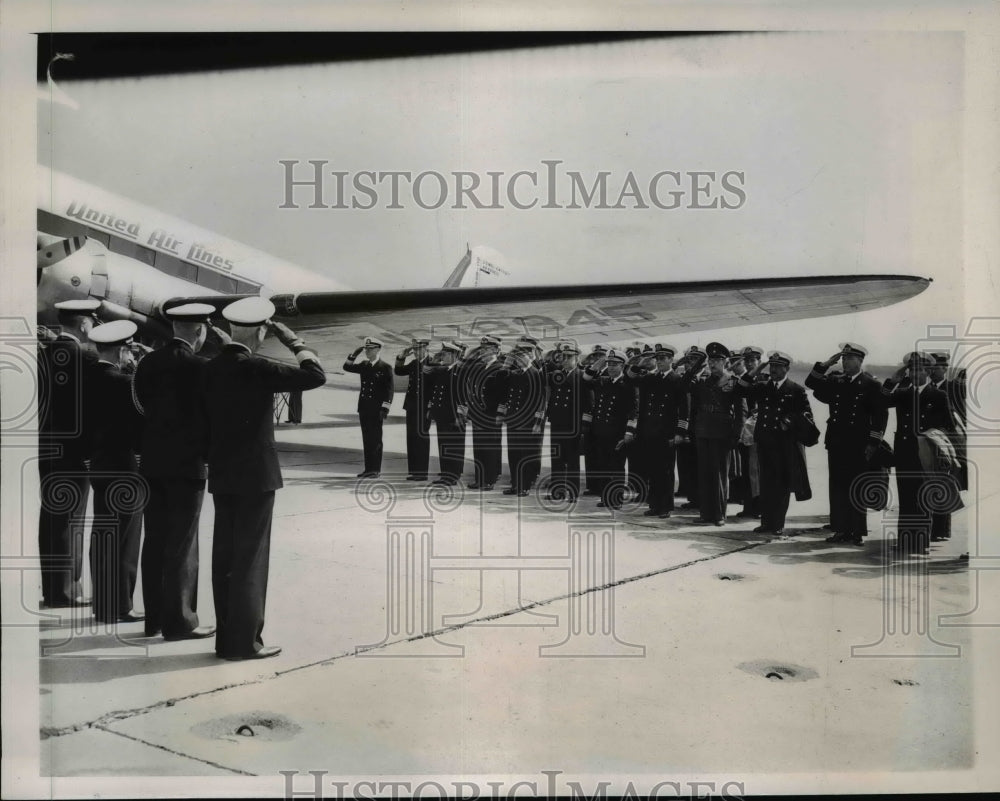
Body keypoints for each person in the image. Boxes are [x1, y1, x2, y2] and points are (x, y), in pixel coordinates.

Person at [202, 297, 326, 660]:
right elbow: (315, 376)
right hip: (256, 476)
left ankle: (225, 641)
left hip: (222, 472)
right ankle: (244, 643)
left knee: (224, 557)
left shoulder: (209, 369)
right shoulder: (258, 367)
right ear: (260, 331)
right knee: (251, 561)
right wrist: (295, 342)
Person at [132, 303, 217, 640]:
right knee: (182, 546)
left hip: (152, 463)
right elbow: (212, 415)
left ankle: (153, 619)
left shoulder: (146, 363)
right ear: (199, 331)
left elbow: (138, 407)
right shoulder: (203, 367)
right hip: (188, 465)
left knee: (153, 541)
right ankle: (180, 622)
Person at [37, 299, 100, 609]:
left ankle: (52, 590)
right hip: (74, 453)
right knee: (70, 520)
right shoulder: (85, 358)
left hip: (45, 448)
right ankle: (65, 592)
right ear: (85, 324)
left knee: (50, 518)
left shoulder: (43, 355)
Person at [86, 320, 146, 624]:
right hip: (123, 466)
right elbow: (142, 420)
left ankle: (102, 603)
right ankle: (120, 606)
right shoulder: (125, 383)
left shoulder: (85, 378)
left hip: (97, 465)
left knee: (102, 533)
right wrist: (137, 371)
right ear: (123, 349)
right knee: (125, 538)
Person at [805, 343, 888, 546]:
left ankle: (856, 532)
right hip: (836, 442)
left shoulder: (871, 384)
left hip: (858, 444)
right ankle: (841, 530)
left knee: (856, 487)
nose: (845, 362)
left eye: (849, 359)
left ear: (860, 361)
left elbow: (880, 416)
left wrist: (873, 443)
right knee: (838, 487)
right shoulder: (837, 381)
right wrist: (824, 365)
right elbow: (811, 384)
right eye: (843, 359)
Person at [878, 352, 958, 554]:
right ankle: (906, 541)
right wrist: (893, 380)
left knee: (922, 497)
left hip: (926, 453)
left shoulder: (938, 395)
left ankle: (921, 543)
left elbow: (949, 426)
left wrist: (932, 435)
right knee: (906, 496)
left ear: (929, 371)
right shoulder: (903, 393)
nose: (915, 373)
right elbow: (880, 402)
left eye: (919, 369)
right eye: (912, 369)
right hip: (904, 451)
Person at [736, 351, 813, 536]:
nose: (774, 370)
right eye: (772, 366)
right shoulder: (762, 387)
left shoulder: (796, 389)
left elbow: (806, 415)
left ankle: (777, 523)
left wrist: (789, 421)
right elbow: (740, 389)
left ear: (787, 368)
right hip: (765, 441)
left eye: (779, 367)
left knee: (781, 485)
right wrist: (756, 369)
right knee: (766, 484)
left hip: (784, 444)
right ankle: (766, 522)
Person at [684, 343, 746, 526]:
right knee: (704, 474)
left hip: (722, 433)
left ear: (725, 362)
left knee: (719, 474)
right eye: (711, 360)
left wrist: (737, 434)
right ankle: (706, 514)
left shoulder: (732, 381)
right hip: (703, 431)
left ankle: (719, 514)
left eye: (717, 360)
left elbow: (741, 410)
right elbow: (684, 384)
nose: (713, 364)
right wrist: (698, 364)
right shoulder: (703, 380)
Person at [628, 344, 689, 518]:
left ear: (671, 360)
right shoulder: (650, 379)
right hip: (649, 431)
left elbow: (684, 409)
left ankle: (666, 506)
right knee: (652, 469)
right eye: (658, 358)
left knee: (666, 471)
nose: (660, 361)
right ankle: (654, 504)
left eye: (664, 358)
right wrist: (642, 362)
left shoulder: (677, 380)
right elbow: (630, 377)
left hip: (666, 433)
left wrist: (680, 433)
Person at [584, 349, 639, 509]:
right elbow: (586, 380)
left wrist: (629, 433)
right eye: (609, 364)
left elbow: (633, 411)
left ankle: (616, 500)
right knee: (603, 465)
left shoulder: (627, 385)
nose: (611, 367)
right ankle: (606, 497)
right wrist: (597, 364)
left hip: (617, 433)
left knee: (616, 467)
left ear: (622, 366)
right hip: (600, 431)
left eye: (615, 364)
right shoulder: (603, 382)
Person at [543, 342, 591, 501]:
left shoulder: (582, 376)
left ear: (577, 358)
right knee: (557, 459)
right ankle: (558, 491)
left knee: (572, 461)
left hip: (573, 425)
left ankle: (572, 493)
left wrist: (584, 426)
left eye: (569, 357)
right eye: (562, 357)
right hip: (557, 423)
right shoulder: (557, 375)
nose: (564, 360)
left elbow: (588, 403)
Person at [458, 336, 507, 490]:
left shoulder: (501, 368)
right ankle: (479, 478)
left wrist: (500, 414)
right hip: (477, 414)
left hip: (491, 415)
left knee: (490, 448)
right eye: (482, 349)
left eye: (486, 349)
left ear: (495, 350)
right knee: (478, 447)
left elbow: (503, 395)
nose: (483, 351)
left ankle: (490, 479)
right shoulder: (479, 367)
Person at [499, 346, 546, 496]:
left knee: (526, 454)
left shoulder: (536, 375)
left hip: (527, 421)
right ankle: (515, 484)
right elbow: (499, 379)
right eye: (517, 357)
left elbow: (541, 401)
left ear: (530, 356)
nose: (519, 360)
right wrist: (507, 363)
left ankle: (524, 486)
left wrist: (538, 423)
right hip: (513, 419)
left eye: (522, 356)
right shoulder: (514, 374)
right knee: (513, 453)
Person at [343, 337, 394, 478]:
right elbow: (346, 367)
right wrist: (354, 354)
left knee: (376, 439)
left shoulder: (385, 367)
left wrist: (385, 408)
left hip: (377, 410)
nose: (367, 351)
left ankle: (375, 470)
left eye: (370, 349)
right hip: (364, 408)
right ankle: (368, 469)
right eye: (366, 349)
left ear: (378, 349)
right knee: (367, 439)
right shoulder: (364, 365)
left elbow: (389, 390)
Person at [425, 341, 467, 485]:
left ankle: (453, 476)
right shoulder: (443, 370)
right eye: (443, 353)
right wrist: (432, 409)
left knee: (453, 446)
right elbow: (429, 378)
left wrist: (460, 416)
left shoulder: (460, 371)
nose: (443, 356)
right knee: (443, 444)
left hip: (453, 416)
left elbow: (463, 396)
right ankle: (445, 474)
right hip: (442, 414)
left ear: (455, 355)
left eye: (446, 354)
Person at [394, 338, 432, 480]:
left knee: (421, 437)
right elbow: (398, 371)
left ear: (426, 349)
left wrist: (431, 407)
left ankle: (422, 472)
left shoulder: (433, 363)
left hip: (424, 407)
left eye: (419, 349)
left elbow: (434, 387)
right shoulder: (414, 363)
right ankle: (415, 471)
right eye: (414, 350)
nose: (416, 352)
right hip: (411, 405)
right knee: (411, 438)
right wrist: (402, 356)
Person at [734, 346, 765, 518]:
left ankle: (759, 507)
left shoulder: (766, 379)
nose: (749, 363)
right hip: (747, 431)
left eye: (753, 360)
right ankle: (748, 506)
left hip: (761, 432)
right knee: (747, 470)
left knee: (758, 472)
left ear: (759, 362)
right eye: (747, 361)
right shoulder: (746, 380)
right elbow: (739, 392)